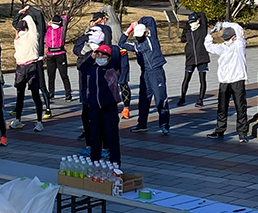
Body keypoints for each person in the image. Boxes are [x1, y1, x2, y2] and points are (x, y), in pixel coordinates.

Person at [77, 31, 125, 166]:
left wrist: (108, 49)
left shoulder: (113, 69)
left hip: (109, 107)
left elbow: (116, 54)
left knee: (112, 137)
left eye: (103, 55)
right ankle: (95, 162)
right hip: (94, 107)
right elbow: (82, 67)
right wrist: (92, 57)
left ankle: (116, 164)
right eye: (98, 55)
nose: (100, 57)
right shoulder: (92, 69)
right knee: (94, 137)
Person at [119, 15, 170, 135]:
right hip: (145, 74)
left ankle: (164, 125)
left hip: (156, 72)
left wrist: (135, 25)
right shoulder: (138, 44)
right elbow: (121, 43)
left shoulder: (150, 40)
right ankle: (142, 124)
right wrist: (132, 28)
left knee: (160, 99)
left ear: (146, 33)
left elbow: (150, 19)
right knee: (143, 100)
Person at [205, 21, 249, 141]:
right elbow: (208, 47)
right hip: (224, 80)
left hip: (237, 80)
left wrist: (223, 24)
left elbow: (238, 28)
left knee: (240, 107)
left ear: (234, 37)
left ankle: (242, 133)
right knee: (222, 106)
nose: (226, 40)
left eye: (228, 38)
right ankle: (219, 130)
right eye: (224, 38)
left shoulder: (239, 45)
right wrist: (210, 34)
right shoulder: (222, 48)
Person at [9, 5, 46, 132]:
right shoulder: (17, 39)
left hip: (31, 66)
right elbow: (16, 24)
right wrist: (21, 13)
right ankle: (18, 119)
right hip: (20, 67)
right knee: (20, 95)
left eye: (21, 29)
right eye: (18, 30)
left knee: (35, 94)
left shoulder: (32, 37)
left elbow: (35, 20)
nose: (19, 31)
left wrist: (27, 11)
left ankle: (39, 122)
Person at [177, 12, 209, 107]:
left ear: (198, 21)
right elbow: (183, 39)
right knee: (186, 79)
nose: (192, 24)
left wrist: (196, 14)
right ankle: (182, 98)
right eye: (190, 22)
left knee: (202, 80)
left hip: (202, 57)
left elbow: (203, 15)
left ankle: (200, 99)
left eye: (194, 21)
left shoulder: (202, 29)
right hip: (190, 58)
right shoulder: (188, 31)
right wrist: (187, 25)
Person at [44, 14, 72, 109]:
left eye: (57, 23)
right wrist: (49, 24)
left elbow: (65, 18)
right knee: (50, 75)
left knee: (64, 75)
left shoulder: (62, 29)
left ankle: (68, 94)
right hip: (50, 54)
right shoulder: (48, 29)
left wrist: (59, 18)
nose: (54, 25)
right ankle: (51, 93)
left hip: (60, 54)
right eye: (53, 23)